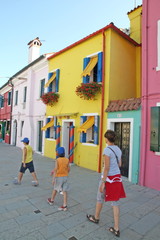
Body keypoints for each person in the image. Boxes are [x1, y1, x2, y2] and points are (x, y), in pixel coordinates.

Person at [86, 130, 126, 238]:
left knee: (100, 198)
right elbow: (119, 164)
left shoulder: (107, 150)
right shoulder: (118, 149)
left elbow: (106, 167)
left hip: (108, 178)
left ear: (106, 139)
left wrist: (103, 182)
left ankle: (96, 217)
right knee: (115, 203)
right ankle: (116, 228)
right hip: (117, 178)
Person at [47, 147, 70, 211]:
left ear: (58, 153)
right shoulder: (67, 160)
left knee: (55, 189)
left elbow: (56, 169)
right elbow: (68, 169)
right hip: (65, 177)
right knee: (64, 191)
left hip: (59, 177)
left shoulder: (57, 160)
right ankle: (65, 205)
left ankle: (51, 200)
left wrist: (53, 179)